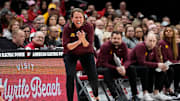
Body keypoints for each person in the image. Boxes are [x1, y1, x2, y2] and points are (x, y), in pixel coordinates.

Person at [62, 8, 99, 101]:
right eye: (76, 17)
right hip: (71, 54)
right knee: (70, 75)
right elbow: (68, 47)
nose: (78, 20)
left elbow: (87, 45)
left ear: (84, 18)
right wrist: (79, 41)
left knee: (93, 75)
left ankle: (96, 95)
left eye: (80, 17)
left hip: (86, 52)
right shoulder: (67, 28)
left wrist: (83, 40)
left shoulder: (89, 27)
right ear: (72, 18)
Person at [125, 33, 171, 101]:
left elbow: (157, 61)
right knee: (145, 68)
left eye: (154, 41)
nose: (152, 43)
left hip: (145, 67)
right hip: (133, 67)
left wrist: (162, 66)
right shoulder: (141, 46)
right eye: (150, 40)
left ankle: (156, 92)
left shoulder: (155, 48)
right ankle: (145, 93)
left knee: (161, 70)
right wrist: (158, 64)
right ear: (145, 40)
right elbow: (142, 62)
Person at [96, 31, 127, 100]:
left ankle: (134, 94)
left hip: (114, 67)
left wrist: (124, 67)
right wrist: (117, 68)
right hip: (101, 67)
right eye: (114, 38)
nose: (116, 40)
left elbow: (127, 59)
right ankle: (115, 96)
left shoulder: (123, 45)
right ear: (111, 38)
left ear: (121, 39)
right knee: (107, 71)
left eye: (118, 39)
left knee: (131, 68)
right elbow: (103, 63)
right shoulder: (105, 46)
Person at [158, 26, 180, 96]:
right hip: (165, 63)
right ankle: (169, 88)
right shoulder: (162, 43)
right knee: (175, 68)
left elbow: (177, 56)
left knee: (178, 66)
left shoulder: (174, 43)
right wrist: (176, 62)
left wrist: (178, 61)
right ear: (164, 33)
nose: (168, 32)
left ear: (173, 33)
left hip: (173, 63)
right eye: (166, 31)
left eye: (170, 31)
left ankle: (176, 88)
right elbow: (164, 58)